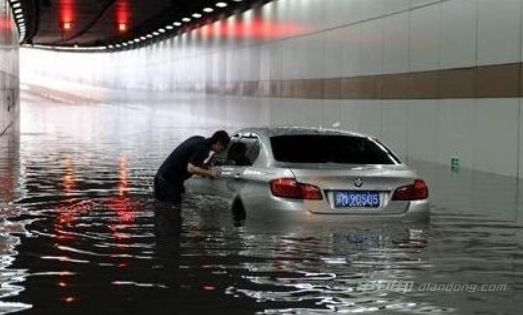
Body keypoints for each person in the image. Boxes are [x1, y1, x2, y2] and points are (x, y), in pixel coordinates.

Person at [154, 130, 230, 203]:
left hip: (160, 176)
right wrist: (210, 173)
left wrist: (206, 168)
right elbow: (191, 168)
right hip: (169, 182)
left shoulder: (198, 139)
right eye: (224, 147)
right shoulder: (203, 149)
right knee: (173, 210)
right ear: (218, 143)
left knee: (163, 208)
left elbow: (193, 161)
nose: (223, 150)